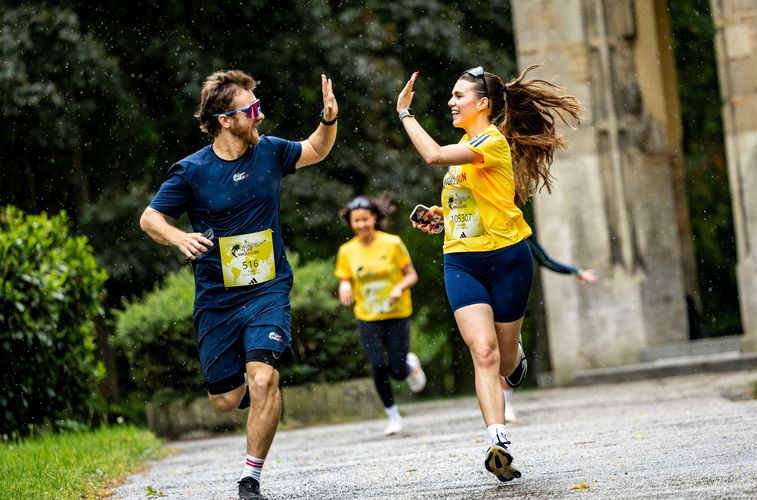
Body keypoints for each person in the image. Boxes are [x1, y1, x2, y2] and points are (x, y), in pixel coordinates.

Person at [139, 69, 338, 500]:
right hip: (217, 300)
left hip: (268, 289)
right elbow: (150, 218)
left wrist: (328, 119)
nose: (260, 116)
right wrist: (178, 237)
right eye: (251, 110)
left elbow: (317, 150)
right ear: (226, 120)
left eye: (258, 107)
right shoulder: (191, 171)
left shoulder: (270, 152)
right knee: (226, 400)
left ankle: (251, 478)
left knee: (264, 378)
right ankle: (246, 387)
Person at [396, 65, 580, 482]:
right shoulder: (466, 146)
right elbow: (470, 199)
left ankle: (517, 363)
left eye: (458, 96)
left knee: (504, 355)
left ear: (483, 104)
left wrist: (406, 113)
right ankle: (499, 443)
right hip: (462, 260)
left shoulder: (491, 141)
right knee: (483, 352)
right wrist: (444, 215)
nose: (450, 102)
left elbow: (432, 155)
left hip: (508, 259)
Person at [334, 195, 427, 436]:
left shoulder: (392, 243)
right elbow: (345, 276)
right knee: (377, 365)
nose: (362, 224)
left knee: (396, 370)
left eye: (365, 219)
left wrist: (399, 287)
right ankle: (393, 416)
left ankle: (408, 365)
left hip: (396, 313)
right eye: (357, 221)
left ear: (374, 218)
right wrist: (344, 285)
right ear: (351, 223)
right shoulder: (346, 251)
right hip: (367, 316)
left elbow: (411, 275)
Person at [501, 236, 599, 423]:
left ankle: (507, 404)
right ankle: (499, 407)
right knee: (488, 350)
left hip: (511, 300)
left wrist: (575, 271)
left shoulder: (518, 231)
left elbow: (545, 260)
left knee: (506, 352)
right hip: (484, 297)